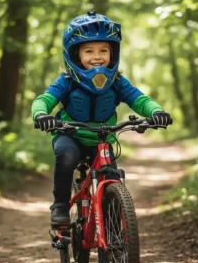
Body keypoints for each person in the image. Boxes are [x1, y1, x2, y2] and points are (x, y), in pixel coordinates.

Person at [31, 11, 172, 226]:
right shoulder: (67, 81)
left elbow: (139, 99)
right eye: (89, 51)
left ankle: (115, 230)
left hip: (102, 139)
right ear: (75, 54)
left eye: (103, 50)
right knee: (66, 156)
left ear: (113, 53)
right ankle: (60, 204)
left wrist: (156, 112)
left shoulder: (116, 81)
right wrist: (41, 114)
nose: (97, 56)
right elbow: (44, 99)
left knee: (111, 178)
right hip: (70, 134)